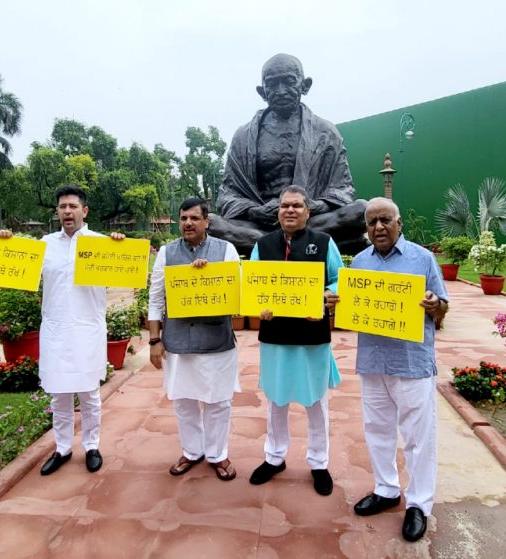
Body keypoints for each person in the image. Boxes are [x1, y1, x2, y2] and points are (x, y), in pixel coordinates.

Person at [351, 197, 449, 542]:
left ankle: (419, 504)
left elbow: (443, 307)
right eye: (371, 222)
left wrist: (435, 305)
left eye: (384, 220)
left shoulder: (422, 259)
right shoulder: (360, 263)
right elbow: (352, 309)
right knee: (377, 430)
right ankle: (386, 489)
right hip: (373, 360)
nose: (378, 227)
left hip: (411, 362)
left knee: (418, 438)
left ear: (398, 223)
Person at [0, 184, 108, 476]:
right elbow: (14, 265)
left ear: (85, 211)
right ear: (57, 211)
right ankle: (62, 448)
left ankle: (92, 446)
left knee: (89, 393)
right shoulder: (44, 245)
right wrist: (6, 244)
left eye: (73, 206)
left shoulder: (102, 244)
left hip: (88, 328)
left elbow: (125, 267)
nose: (67, 211)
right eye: (62, 207)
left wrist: (119, 244)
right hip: (56, 329)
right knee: (58, 395)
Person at [209, 53, 367, 256]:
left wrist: (310, 206)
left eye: (289, 81)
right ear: (262, 91)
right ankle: (301, 244)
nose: (280, 91)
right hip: (260, 223)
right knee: (210, 222)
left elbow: (343, 189)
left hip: (310, 219)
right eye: (272, 84)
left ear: (305, 85)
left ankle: (267, 246)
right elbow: (228, 194)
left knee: (362, 210)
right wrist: (253, 211)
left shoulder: (325, 132)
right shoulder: (243, 136)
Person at [248, 185, 342, 496]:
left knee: (316, 401)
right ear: (278, 211)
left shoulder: (324, 242)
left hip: (312, 335)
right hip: (275, 336)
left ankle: (318, 462)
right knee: (276, 399)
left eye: (297, 206)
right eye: (285, 206)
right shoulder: (263, 245)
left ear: (308, 211)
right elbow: (254, 284)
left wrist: (327, 297)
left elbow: (337, 279)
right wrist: (257, 305)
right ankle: (274, 457)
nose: (290, 210)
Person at [148, 197, 241, 481]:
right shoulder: (167, 252)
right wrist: (154, 340)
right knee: (184, 401)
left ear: (206, 222)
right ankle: (191, 451)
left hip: (217, 341)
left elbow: (237, 296)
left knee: (218, 401)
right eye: (184, 218)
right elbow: (155, 297)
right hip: (178, 341)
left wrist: (209, 275)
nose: (188, 223)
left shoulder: (225, 250)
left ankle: (217, 453)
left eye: (194, 218)